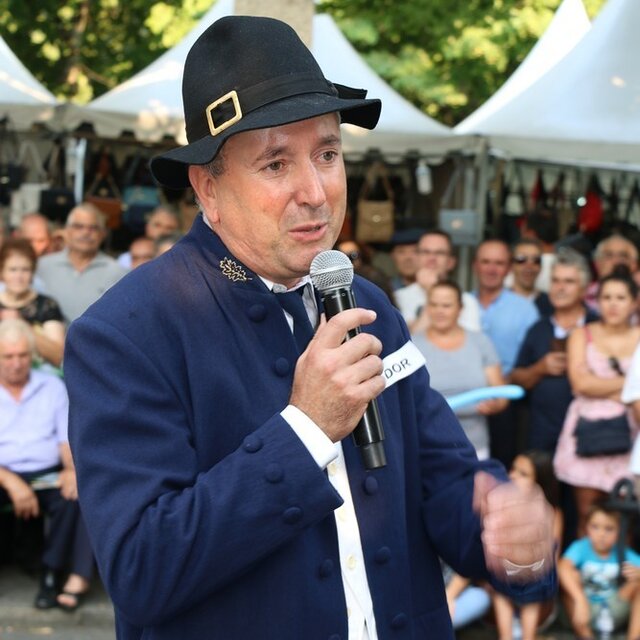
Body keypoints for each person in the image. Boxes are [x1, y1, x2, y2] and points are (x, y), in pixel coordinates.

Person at [63, 16, 555, 640]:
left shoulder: (368, 303)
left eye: (327, 154)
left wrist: (504, 529)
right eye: (275, 164)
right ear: (208, 188)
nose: (316, 192)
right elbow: (143, 571)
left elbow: (442, 481)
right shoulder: (125, 333)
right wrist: (307, 429)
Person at [0, 319, 93, 611]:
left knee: (74, 494)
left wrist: (71, 470)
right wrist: (11, 482)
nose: (16, 363)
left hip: (45, 474)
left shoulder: (52, 387)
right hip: (2, 474)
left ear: (32, 356)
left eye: (22, 355)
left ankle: (52, 573)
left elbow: (65, 440)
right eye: (8, 356)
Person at [554, 266, 640, 535]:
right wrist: (630, 388)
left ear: (634, 302)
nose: (613, 304)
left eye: (620, 298)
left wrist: (600, 386)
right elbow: (581, 383)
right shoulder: (582, 334)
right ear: (597, 301)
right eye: (607, 297)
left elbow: (591, 384)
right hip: (587, 432)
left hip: (630, 435)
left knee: (625, 520)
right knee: (586, 515)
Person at [511, 248, 599, 454]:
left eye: (569, 281)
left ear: (584, 289)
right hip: (543, 435)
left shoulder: (598, 326)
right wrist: (540, 368)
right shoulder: (538, 328)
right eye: (555, 281)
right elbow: (516, 378)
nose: (560, 288)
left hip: (590, 434)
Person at [412, 280, 507, 460]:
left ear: (460, 308)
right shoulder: (412, 345)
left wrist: (495, 405)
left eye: (446, 305)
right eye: (434, 304)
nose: (439, 311)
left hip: (475, 445)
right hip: (427, 447)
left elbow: (501, 393)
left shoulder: (480, 342)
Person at [473, 239, 539, 467]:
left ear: (509, 268)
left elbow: (530, 361)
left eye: (499, 263)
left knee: (501, 469)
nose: (491, 269)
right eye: (486, 262)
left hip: (508, 405)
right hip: (464, 403)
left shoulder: (526, 309)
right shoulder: (462, 303)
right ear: (475, 265)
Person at [492, 450, 563, 640]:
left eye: (523, 474)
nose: (513, 475)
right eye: (513, 469)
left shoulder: (552, 511)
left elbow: (551, 556)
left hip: (536, 580)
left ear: (540, 482)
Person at [558, 502, 640, 639]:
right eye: (595, 527)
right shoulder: (581, 547)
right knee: (571, 577)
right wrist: (579, 599)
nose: (601, 534)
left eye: (609, 529)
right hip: (583, 609)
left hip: (613, 608)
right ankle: (586, 636)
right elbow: (562, 567)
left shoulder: (622, 552)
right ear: (586, 528)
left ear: (620, 532)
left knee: (638, 582)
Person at [36, 203, 127, 323]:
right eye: (78, 226)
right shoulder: (42, 266)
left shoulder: (118, 273)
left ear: (103, 234)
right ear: (67, 231)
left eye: (93, 228)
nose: (86, 233)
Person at [394, 229, 481, 332]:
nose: (432, 258)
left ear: (451, 262)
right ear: (417, 259)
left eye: (439, 253)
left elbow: (465, 340)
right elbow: (410, 340)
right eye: (426, 252)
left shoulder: (467, 301)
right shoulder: (398, 298)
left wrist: (431, 289)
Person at [0, 238, 65, 368]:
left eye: (25, 270)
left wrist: (21, 323)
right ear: (2, 272)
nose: (19, 276)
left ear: (33, 272)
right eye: (12, 269)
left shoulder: (47, 305)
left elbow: (58, 356)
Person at [585, 234, 639, 312]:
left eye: (623, 256)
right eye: (609, 255)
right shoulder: (582, 294)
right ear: (597, 263)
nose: (616, 261)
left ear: (634, 264)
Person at [337, 239, 395, 306]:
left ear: (361, 255)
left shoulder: (374, 276)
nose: (349, 261)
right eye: (344, 258)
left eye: (353, 256)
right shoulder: (336, 282)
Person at [508, 238, 553, 317]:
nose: (529, 266)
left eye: (536, 260)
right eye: (521, 259)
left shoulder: (552, 304)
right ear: (511, 265)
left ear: (541, 267)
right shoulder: (495, 301)